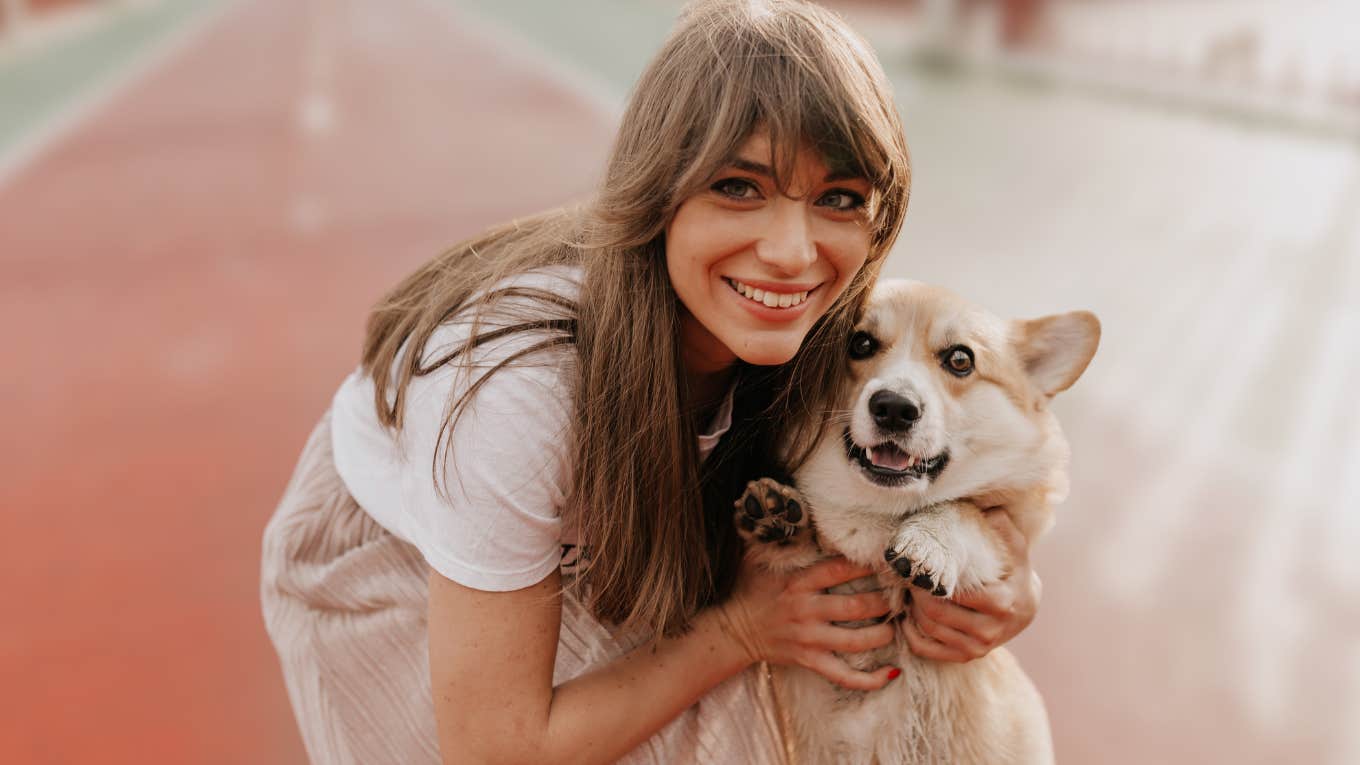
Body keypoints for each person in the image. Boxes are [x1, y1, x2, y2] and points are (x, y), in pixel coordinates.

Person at [260, 1, 1041, 763]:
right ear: (657, 192)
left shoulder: (832, 329)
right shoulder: (520, 397)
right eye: (740, 186)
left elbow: (942, 486)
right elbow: (497, 746)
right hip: (395, 559)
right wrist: (739, 630)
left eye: (837, 199)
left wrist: (1010, 588)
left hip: (598, 525)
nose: (791, 252)